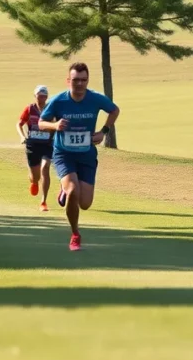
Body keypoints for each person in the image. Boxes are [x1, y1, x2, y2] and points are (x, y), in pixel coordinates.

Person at [38, 62, 120, 252]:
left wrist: (103, 132)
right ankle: (75, 234)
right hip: (63, 154)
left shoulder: (96, 98)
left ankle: (63, 189)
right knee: (73, 190)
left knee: (85, 203)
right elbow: (41, 123)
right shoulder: (59, 100)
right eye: (75, 80)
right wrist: (55, 125)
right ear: (68, 81)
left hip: (87, 155)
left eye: (83, 80)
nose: (80, 84)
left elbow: (114, 110)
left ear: (87, 81)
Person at [17, 85, 54, 212]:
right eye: (40, 95)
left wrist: (52, 134)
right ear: (35, 96)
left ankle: (43, 201)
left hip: (47, 144)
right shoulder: (29, 109)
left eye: (44, 95)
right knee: (35, 177)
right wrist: (22, 136)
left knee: (45, 167)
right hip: (33, 144)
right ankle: (34, 181)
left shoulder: (51, 109)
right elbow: (19, 124)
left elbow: (56, 124)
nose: (42, 98)